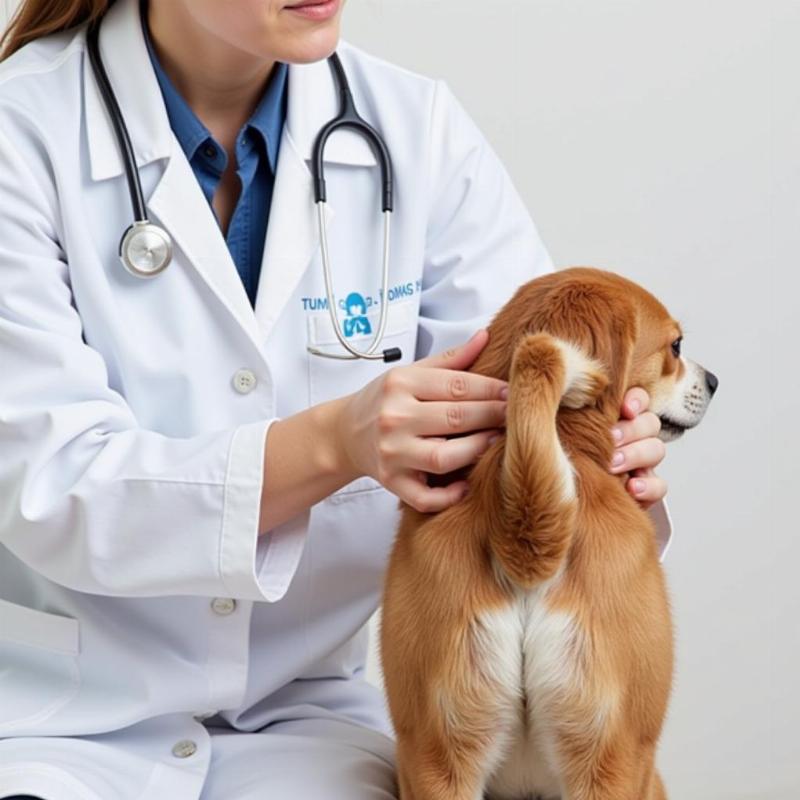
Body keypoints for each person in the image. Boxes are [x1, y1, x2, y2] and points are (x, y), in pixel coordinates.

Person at [0, 0, 671, 798]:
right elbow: (49, 482)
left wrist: (604, 459)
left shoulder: (415, 130)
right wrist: (335, 444)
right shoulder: (23, 132)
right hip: (63, 722)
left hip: (309, 720)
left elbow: (530, 401)